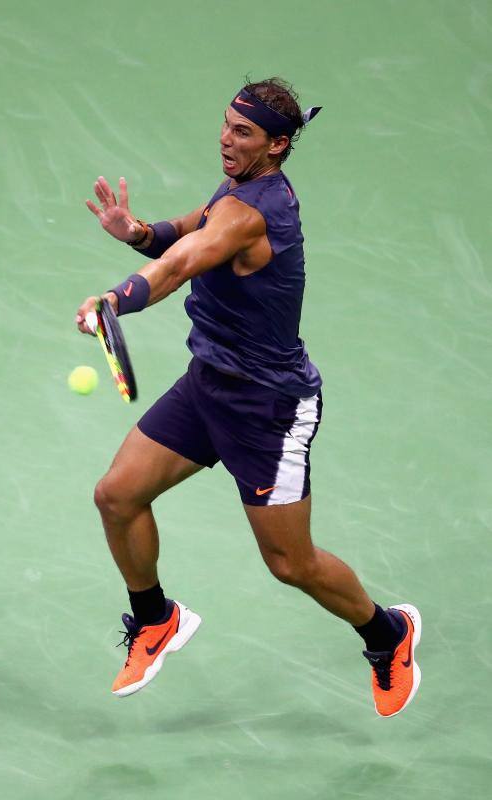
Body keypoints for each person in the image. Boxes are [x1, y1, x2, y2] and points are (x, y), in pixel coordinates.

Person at [76, 78, 421, 717]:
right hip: (210, 383)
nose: (225, 139)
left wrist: (116, 300)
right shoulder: (237, 187)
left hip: (268, 407)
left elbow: (183, 265)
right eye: (227, 124)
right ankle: (156, 619)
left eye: (242, 132)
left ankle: (388, 632)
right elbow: (189, 230)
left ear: (277, 145)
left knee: (291, 564)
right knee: (117, 495)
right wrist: (139, 231)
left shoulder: (254, 212)